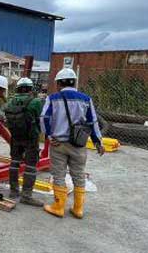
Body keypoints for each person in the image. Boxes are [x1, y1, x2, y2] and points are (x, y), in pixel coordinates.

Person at [40, 68, 104, 219]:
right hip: (79, 145)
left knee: (59, 175)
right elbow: (92, 122)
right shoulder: (86, 99)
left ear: (59, 83)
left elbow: (44, 118)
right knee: (79, 175)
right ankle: (78, 209)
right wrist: (97, 142)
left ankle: (58, 207)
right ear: (74, 82)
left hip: (58, 144)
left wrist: (49, 135)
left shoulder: (53, 98)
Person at [4, 77, 44, 206]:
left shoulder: (10, 102)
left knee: (14, 162)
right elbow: (40, 117)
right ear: (30, 89)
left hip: (15, 137)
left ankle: (13, 191)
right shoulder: (35, 102)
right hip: (31, 138)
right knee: (31, 166)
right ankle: (26, 195)